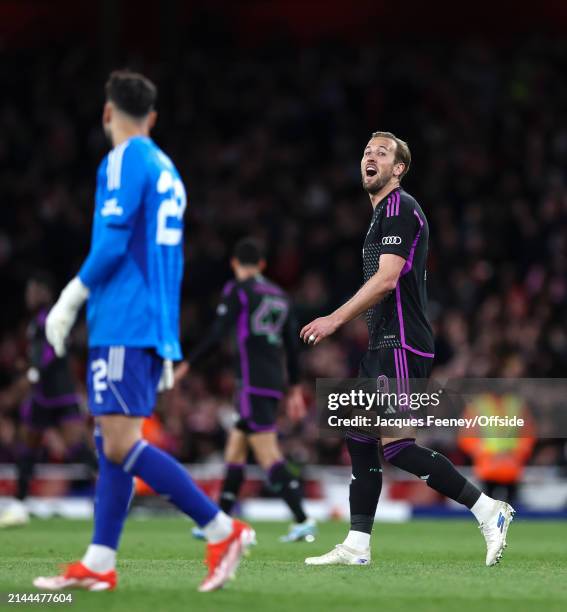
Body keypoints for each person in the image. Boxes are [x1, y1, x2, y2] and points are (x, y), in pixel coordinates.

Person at [33, 70, 255, 593]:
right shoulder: (166, 168)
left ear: (108, 112)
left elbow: (111, 247)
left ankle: (221, 529)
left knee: (118, 442)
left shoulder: (122, 161)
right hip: (153, 318)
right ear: (151, 117)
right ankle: (100, 560)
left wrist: (69, 298)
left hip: (122, 318)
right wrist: (167, 337)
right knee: (110, 439)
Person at [300, 131, 514, 567]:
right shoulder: (381, 215)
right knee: (359, 436)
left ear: (398, 169)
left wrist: (334, 320)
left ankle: (489, 509)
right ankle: (358, 545)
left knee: (396, 446)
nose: (370, 157)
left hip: (401, 343)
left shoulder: (400, 207)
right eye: (366, 151)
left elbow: (386, 280)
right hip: (383, 343)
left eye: (382, 153)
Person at [176, 238, 316, 542]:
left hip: (251, 382)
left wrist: (189, 362)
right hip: (272, 381)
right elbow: (292, 348)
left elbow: (217, 332)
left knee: (267, 454)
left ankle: (303, 519)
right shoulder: (281, 296)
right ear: (262, 265)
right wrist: (293, 387)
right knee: (235, 449)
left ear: (234, 264)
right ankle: (220, 522)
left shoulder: (238, 291)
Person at [0, 272, 95, 528]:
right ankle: (19, 505)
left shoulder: (51, 318)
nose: (29, 296)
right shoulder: (36, 322)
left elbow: (50, 353)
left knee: (77, 449)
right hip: (44, 396)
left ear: (44, 292)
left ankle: (114, 493)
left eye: (33, 290)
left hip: (59, 394)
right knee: (27, 449)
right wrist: (29, 366)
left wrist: (32, 373)